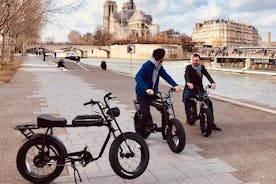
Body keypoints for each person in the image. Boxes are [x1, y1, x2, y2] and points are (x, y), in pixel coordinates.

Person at [135, 48, 181, 139]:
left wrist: (175, 85)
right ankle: (138, 136)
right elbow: (137, 77)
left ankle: (165, 134)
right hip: (142, 94)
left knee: (165, 109)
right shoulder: (147, 65)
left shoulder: (159, 66)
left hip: (152, 94)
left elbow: (166, 76)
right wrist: (146, 89)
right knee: (145, 113)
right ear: (161, 58)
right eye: (163, 57)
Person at [183, 53, 221, 131]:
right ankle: (188, 117)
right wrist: (188, 82)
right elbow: (186, 75)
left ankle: (211, 122)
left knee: (209, 102)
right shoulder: (188, 67)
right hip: (190, 88)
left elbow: (207, 75)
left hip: (199, 89)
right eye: (193, 60)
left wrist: (212, 82)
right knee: (186, 98)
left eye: (196, 60)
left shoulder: (202, 67)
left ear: (199, 61)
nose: (195, 62)